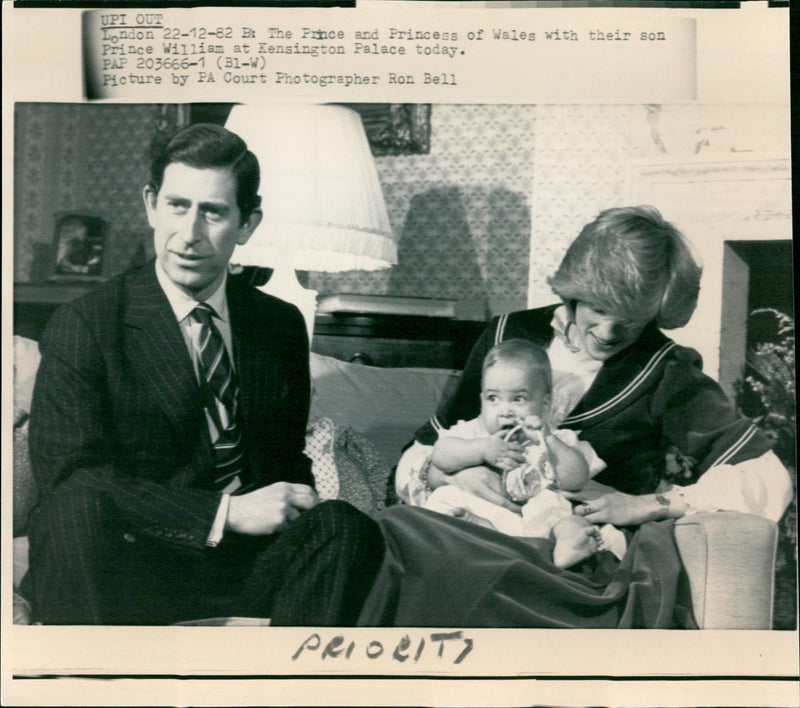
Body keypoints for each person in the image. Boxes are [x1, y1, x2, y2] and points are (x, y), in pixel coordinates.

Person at [359, 205, 792, 628]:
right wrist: (451, 477)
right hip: (472, 530)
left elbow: (767, 475)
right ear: (576, 288)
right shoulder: (508, 335)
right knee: (392, 531)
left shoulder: (667, 369)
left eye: (631, 319)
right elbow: (421, 454)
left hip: (576, 558)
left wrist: (649, 504)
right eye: (599, 309)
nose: (608, 333)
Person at [24, 123, 384, 625]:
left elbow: (282, 460)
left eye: (213, 212)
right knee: (72, 511)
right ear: (151, 204)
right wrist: (225, 513)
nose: (189, 234)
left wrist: (295, 505)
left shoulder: (277, 324)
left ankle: (280, 689)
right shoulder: (86, 322)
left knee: (345, 527)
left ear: (247, 224)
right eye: (177, 205)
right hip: (133, 559)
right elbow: (71, 482)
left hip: (247, 567)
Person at [424, 339, 624, 569]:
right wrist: (482, 449)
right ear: (481, 401)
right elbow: (441, 455)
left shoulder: (556, 439)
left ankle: (568, 549)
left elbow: (576, 480)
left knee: (573, 522)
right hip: (486, 514)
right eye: (493, 398)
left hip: (541, 523)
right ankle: (480, 527)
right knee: (443, 498)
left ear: (545, 403)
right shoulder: (473, 431)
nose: (505, 411)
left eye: (518, 399)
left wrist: (548, 439)